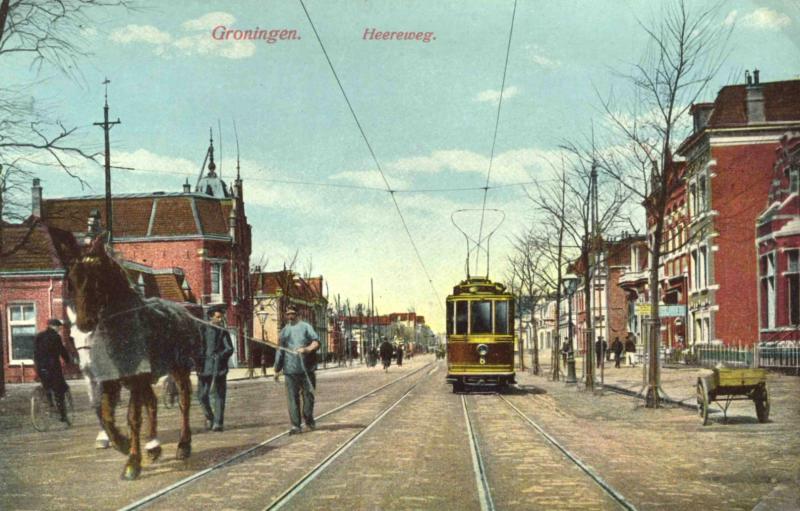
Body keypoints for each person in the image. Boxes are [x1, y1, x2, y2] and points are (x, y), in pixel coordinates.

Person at [274, 306, 320, 434]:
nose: (290, 316)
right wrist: (277, 369)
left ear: (297, 314)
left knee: (309, 396)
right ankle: (296, 425)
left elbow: (316, 342)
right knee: (292, 399)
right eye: (288, 314)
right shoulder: (283, 332)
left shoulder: (306, 327)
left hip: (307, 369)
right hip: (290, 370)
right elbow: (280, 351)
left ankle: (308, 419)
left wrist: (307, 349)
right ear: (285, 315)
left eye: (293, 314)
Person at [198, 307, 234, 432]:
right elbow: (198, 347)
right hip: (203, 368)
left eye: (221, 317)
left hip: (219, 368)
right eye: (218, 317)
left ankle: (218, 423)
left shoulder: (223, 332)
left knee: (219, 396)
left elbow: (229, 348)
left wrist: (220, 355)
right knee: (202, 396)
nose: (220, 319)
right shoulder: (202, 329)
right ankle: (210, 417)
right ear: (210, 317)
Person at [33, 319, 71, 422]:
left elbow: (35, 352)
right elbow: (62, 350)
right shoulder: (56, 337)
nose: (59, 329)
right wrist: (68, 360)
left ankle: (50, 403)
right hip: (53, 368)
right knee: (59, 390)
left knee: (46, 386)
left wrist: (36, 366)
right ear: (54, 326)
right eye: (58, 327)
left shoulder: (39, 336)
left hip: (40, 367)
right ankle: (63, 416)